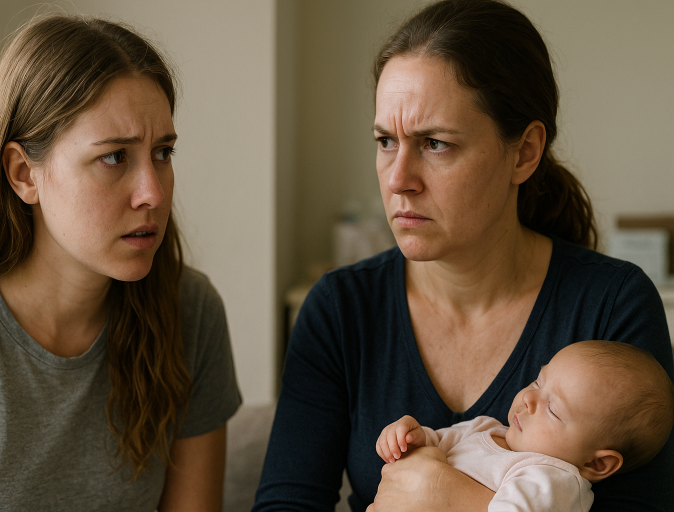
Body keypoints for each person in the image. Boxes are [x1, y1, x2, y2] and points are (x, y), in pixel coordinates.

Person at [251, 0, 674, 511]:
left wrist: (450, 499)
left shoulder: (613, 305)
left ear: (524, 153)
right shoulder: (339, 309)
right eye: (386, 141)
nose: (398, 180)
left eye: (434, 143)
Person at [0, 15, 241, 512]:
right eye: (114, 158)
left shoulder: (190, 311)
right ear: (24, 175)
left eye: (163, 152)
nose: (153, 192)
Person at [376, 341, 674, 512]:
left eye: (553, 409)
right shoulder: (484, 428)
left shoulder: (552, 480)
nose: (529, 398)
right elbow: (436, 445)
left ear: (597, 462)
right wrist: (412, 437)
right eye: (538, 381)